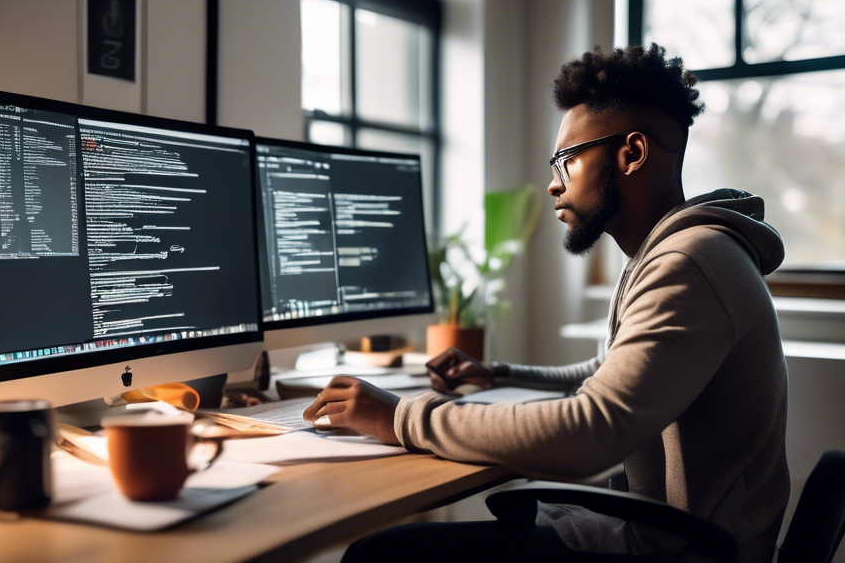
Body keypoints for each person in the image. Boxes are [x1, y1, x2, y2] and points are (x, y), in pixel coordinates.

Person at [303, 43, 789, 562]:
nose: (555, 184)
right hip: (667, 537)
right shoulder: (680, 253)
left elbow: (590, 433)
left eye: (567, 160)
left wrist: (400, 416)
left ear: (632, 153)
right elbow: (609, 373)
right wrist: (498, 373)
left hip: (680, 552)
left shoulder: (689, 263)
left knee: (383, 555)